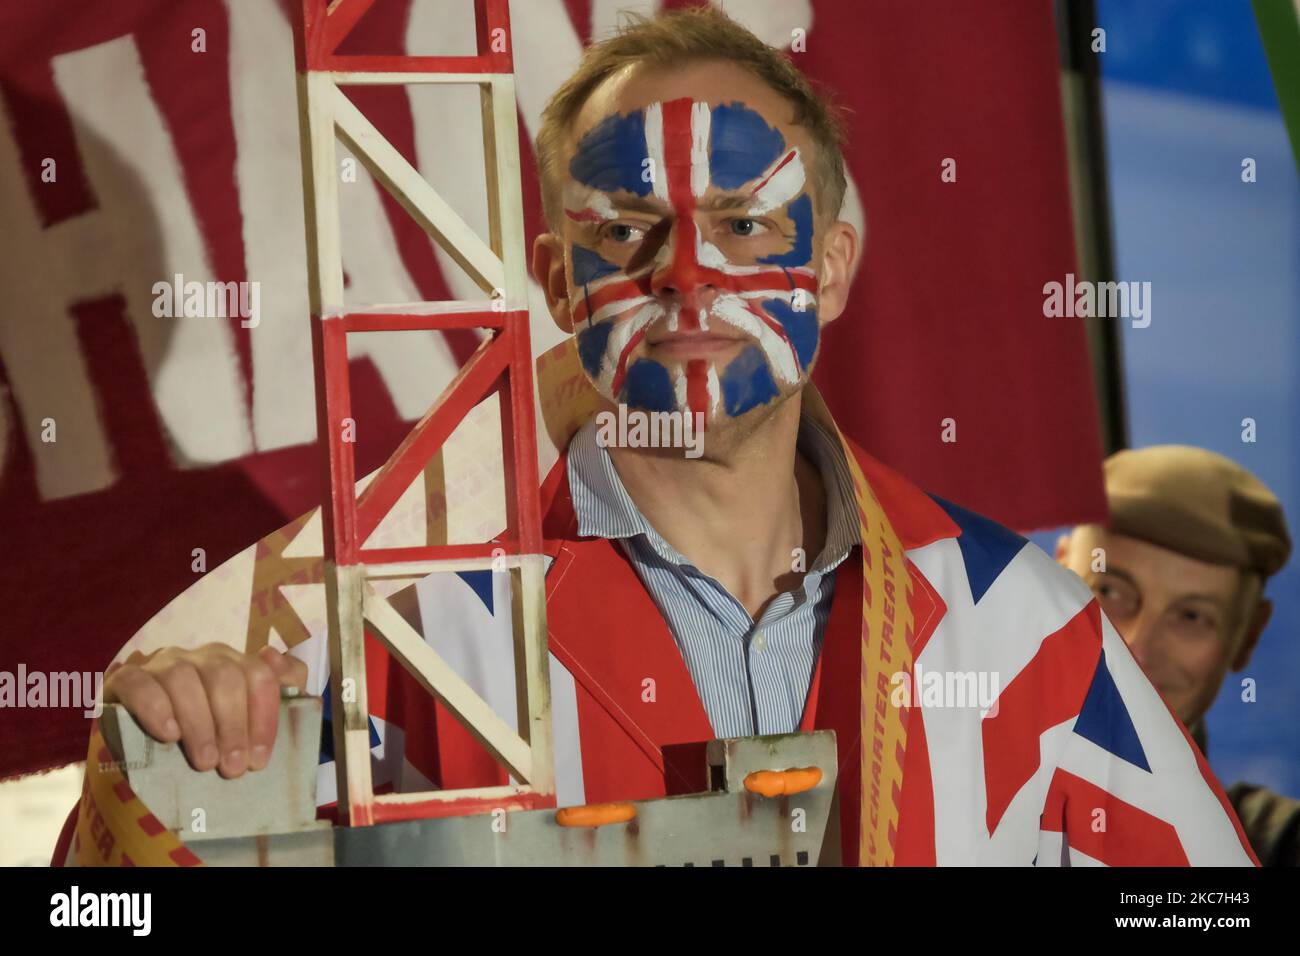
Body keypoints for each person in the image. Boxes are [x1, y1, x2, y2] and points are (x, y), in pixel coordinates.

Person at [88, 7, 1254, 866]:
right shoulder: (396, 623)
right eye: (632, 229)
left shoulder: (1026, 633)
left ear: (833, 269)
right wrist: (160, 773)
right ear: (555, 282)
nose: (689, 279)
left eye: (744, 226)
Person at [1057, 444, 1298, 865]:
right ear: (1054, 576)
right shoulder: (930, 795)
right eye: (1109, 591)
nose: (1136, 648)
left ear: (1249, 635)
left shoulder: (1272, 849)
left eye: (1191, 615)